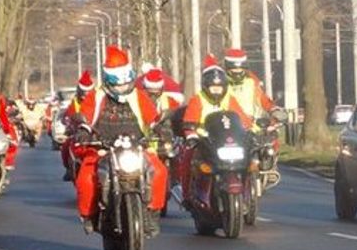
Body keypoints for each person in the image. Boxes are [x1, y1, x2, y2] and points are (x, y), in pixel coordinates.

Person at [73, 46, 168, 236]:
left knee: (159, 171)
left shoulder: (139, 96)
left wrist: (162, 129)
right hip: (103, 147)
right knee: (86, 177)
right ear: (109, 82)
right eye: (118, 85)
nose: (122, 89)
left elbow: (153, 118)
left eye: (125, 84)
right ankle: (89, 215)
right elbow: (85, 116)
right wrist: (84, 131)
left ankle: (152, 213)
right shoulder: (96, 97)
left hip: (136, 146)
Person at [176, 56, 252, 202]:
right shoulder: (197, 99)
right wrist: (191, 134)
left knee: (251, 159)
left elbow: (242, 119)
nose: (216, 91)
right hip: (205, 141)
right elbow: (189, 120)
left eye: (219, 88)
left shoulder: (230, 99)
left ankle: (249, 194)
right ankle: (187, 195)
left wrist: (250, 131)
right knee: (187, 158)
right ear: (206, 87)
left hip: (226, 142)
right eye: (213, 88)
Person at [59, 70, 92, 180]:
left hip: (96, 132)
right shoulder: (75, 102)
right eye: (84, 92)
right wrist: (68, 123)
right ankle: (69, 168)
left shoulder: (98, 101)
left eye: (88, 92)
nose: (86, 95)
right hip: (79, 132)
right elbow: (68, 115)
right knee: (66, 146)